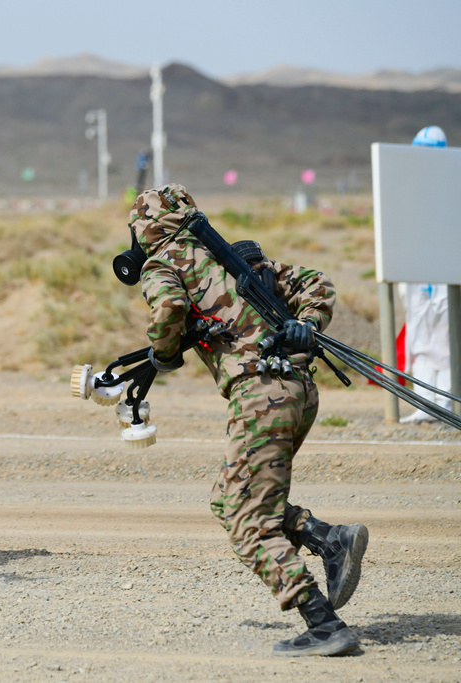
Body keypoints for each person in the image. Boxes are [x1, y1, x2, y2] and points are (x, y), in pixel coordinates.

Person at [128, 185, 368, 657]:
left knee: (246, 518)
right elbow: (315, 282)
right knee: (229, 498)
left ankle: (322, 624)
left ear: (144, 230)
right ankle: (328, 538)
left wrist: (162, 353)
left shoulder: (163, 264)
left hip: (260, 397)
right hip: (299, 389)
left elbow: (169, 309)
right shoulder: (234, 258)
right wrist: (309, 323)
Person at [398, 125, 452, 424]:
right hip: (415, 274)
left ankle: (443, 402)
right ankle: (423, 405)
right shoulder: (408, 186)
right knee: (418, 339)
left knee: (444, 339)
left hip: (444, 276)